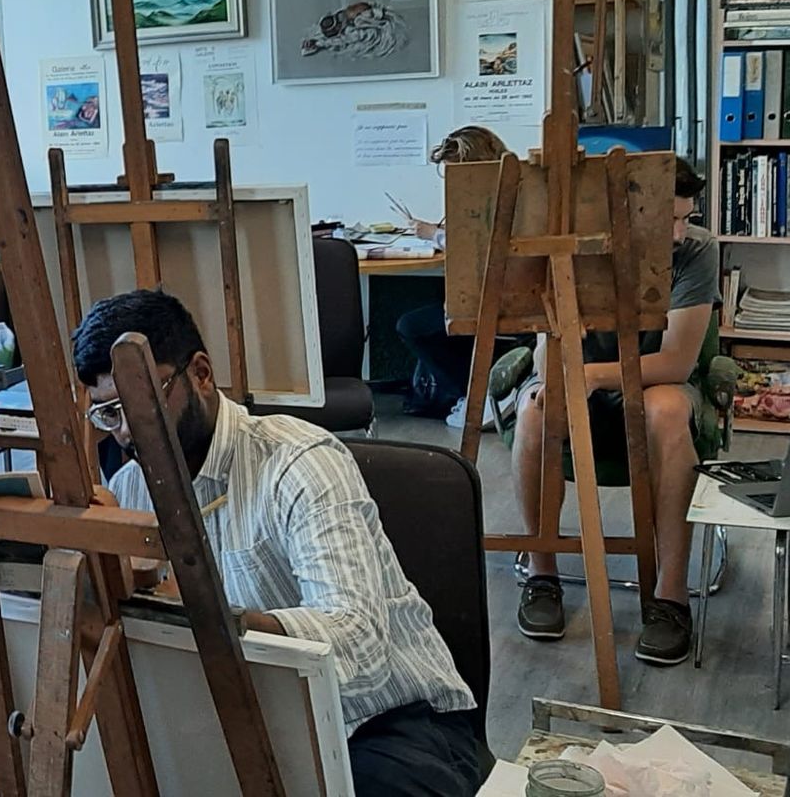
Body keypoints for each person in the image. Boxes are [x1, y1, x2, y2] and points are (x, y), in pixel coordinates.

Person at [80, 289, 493, 796]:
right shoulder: (131, 490)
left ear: (201, 374)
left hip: (388, 721)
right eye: (109, 413)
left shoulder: (299, 462)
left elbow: (359, 644)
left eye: (143, 404)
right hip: (251, 715)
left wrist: (214, 619)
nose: (126, 432)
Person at [513, 156, 716, 665]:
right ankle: (543, 573)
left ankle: (670, 596)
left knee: (668, 408)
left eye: (685, 217)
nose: (679, 230)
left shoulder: (695, 251)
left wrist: (590, 376)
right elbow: (546, 365)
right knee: (536, 410)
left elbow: (675, 362)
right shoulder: (572, 247)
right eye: (668, 219)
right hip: (583, 390)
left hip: (649, 386)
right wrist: (558, 346)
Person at [397, 125, 510, 423]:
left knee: (412, 326)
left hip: (496, 300)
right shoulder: (515, 188)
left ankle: (473, 395)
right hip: (509, 296)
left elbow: (482, 246)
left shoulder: (495, 198)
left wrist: (434, 234)